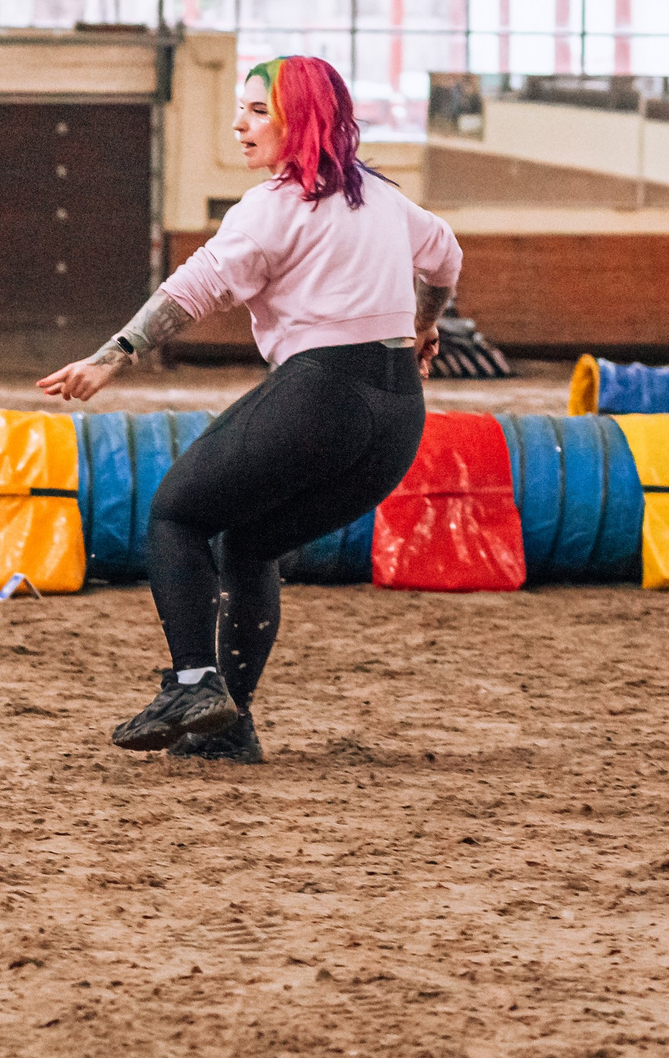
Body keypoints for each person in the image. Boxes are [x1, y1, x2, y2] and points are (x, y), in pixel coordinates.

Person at [36, 55, 463, 765]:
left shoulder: (272, 205)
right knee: (250, 543)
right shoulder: (385, 198)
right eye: (242, 109)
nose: (240, 123)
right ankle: (228, 727)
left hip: (324, 393)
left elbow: (193, 288)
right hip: (397, 418)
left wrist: (110, 358)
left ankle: (193, 683)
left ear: (306, 120)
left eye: (258, 111)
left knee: (177, 514)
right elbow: (445, 257)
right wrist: (424, 324)